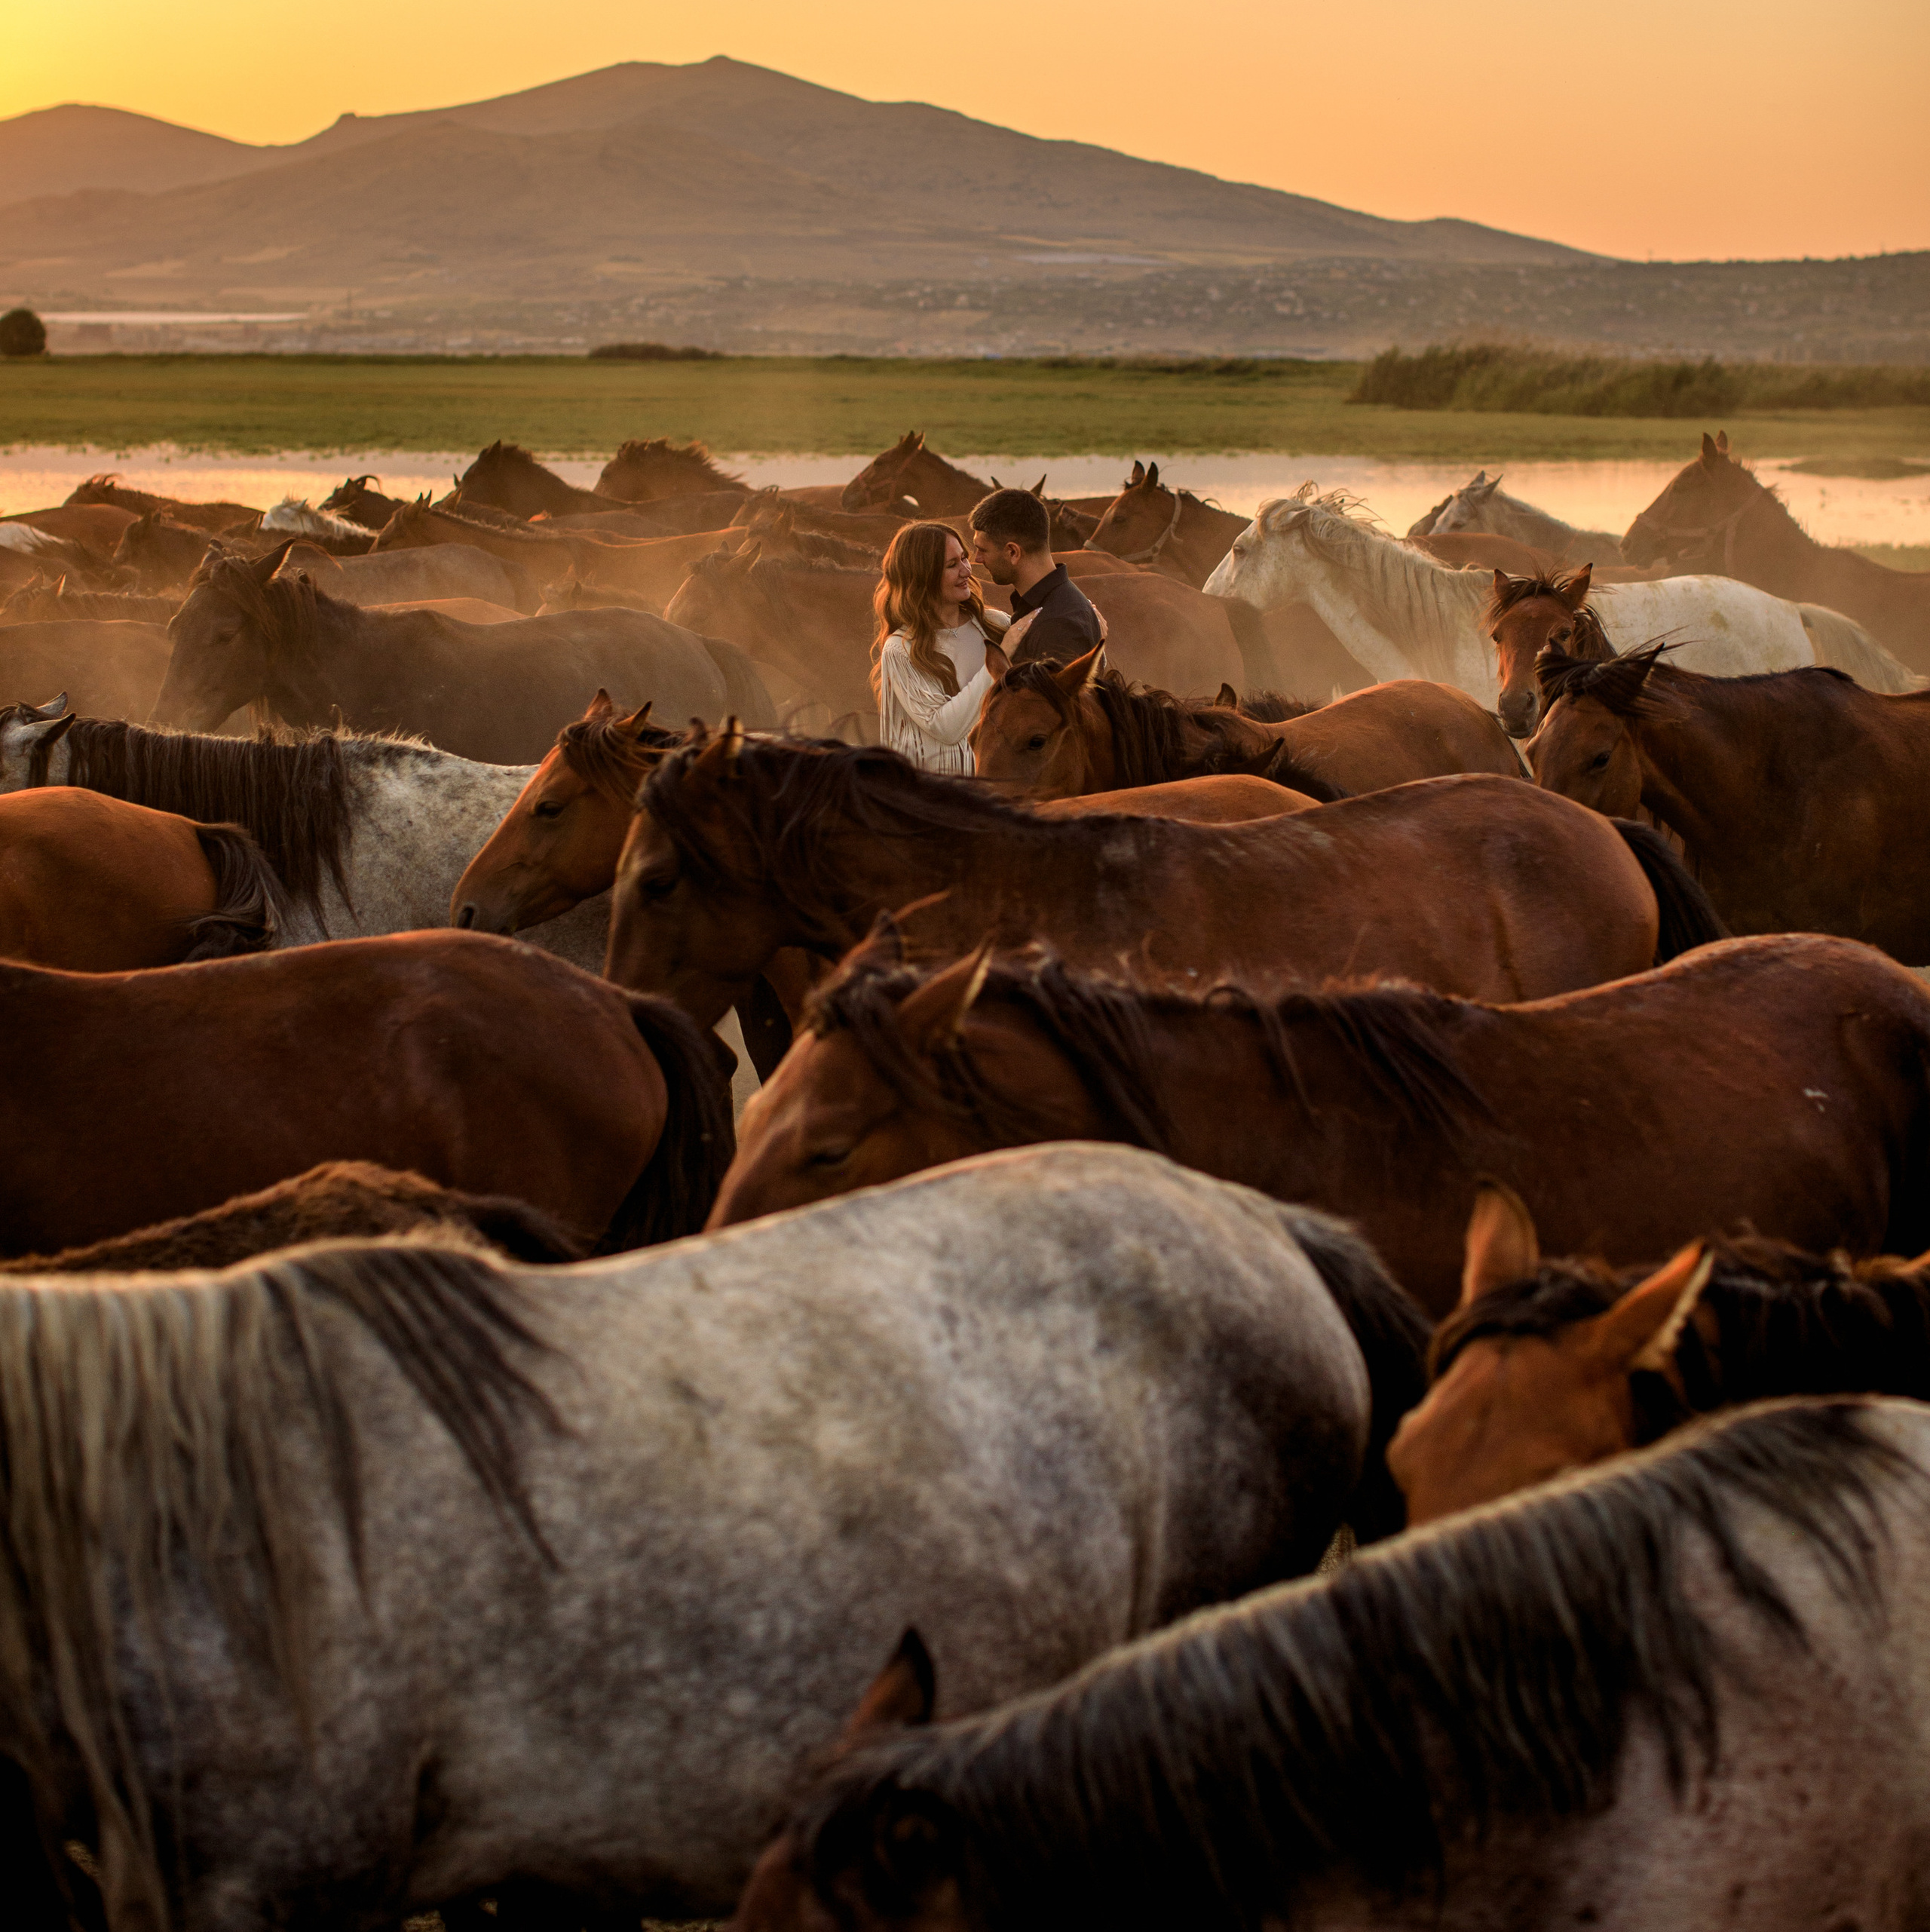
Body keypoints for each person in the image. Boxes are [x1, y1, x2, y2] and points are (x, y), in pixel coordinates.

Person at [871, 520, 1009, 774]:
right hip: (941, 792)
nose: (966, 570)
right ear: (923, 576)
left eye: (964, 558)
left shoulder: (996, 626)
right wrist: (1002, 658)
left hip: (999, 783)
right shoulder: (901, 649)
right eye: (952, 565)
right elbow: (946, 728)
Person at [967, 487, 1103, 664]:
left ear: (1013, 552)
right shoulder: (1052, 606)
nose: (977, 559)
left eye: (983, 550)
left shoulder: (1056, 627)